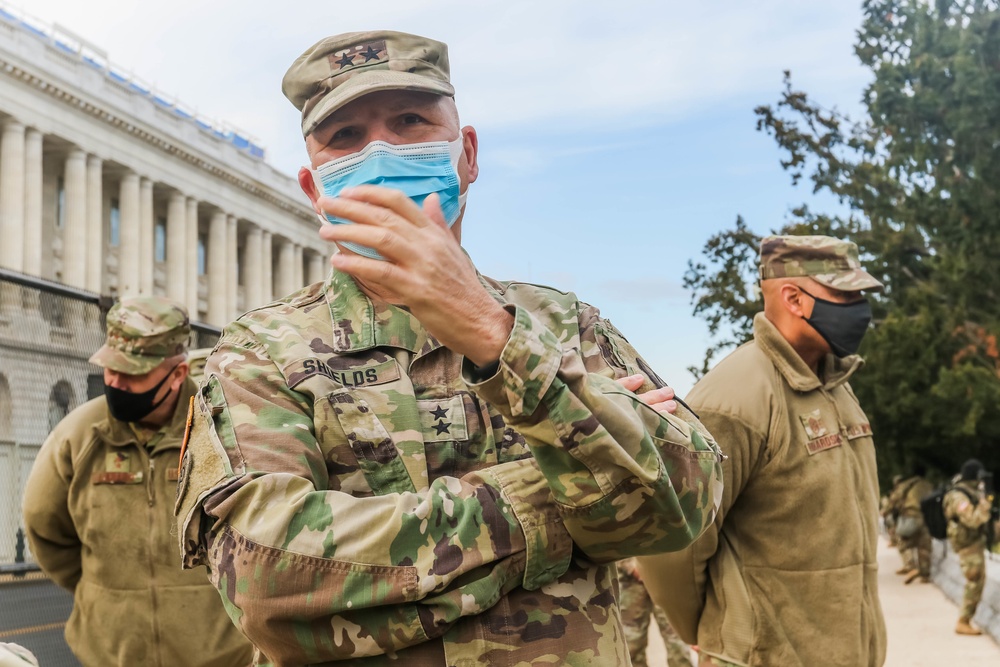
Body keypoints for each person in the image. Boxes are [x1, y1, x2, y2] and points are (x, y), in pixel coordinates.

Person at [172, 30, 725, 666]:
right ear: (313, 186)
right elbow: (267, 581)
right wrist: (560, 495)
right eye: (345, 137)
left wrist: (493, 333)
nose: (379, 149)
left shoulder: (564, 323)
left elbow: (686, 500)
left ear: (467, 153)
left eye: (410, 120)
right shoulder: (258, 351)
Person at [636, 235, 887, 667]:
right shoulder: (735, 397)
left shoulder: (837, 388)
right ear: (794, 297)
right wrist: (715, 632)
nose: (859, 309)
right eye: (845, 295)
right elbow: (672, 539)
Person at [22, 297, 252, 667]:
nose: (114, 382)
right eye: (111, 368)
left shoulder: (226, 430)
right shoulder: (79, 436)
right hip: (110, 655)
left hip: (220, 656)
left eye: (132, 373)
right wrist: (109, 594)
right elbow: (44, 527)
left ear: (177, 374)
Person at [944, 458, 995, 636]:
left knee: (977, 580)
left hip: (973, 542)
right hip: (967, 545)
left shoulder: (967, 492)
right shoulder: (958, 496)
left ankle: (965, 620)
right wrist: (985, 502)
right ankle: (963, 621)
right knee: (974, 581)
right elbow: (974, 520)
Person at [617, 558, 694, 667]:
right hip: (631, 580)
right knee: (632, 642)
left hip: (665, 576)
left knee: (676, 638)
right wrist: (630, 566)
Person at [888, 465, 933, 583]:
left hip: (909, 517)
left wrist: (887, 511)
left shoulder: (906, 485)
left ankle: (910, 566)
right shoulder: (928, 485)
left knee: (902, 541)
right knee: (924, 546)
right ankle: (925, 574)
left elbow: (894, 499)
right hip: (925, 518)